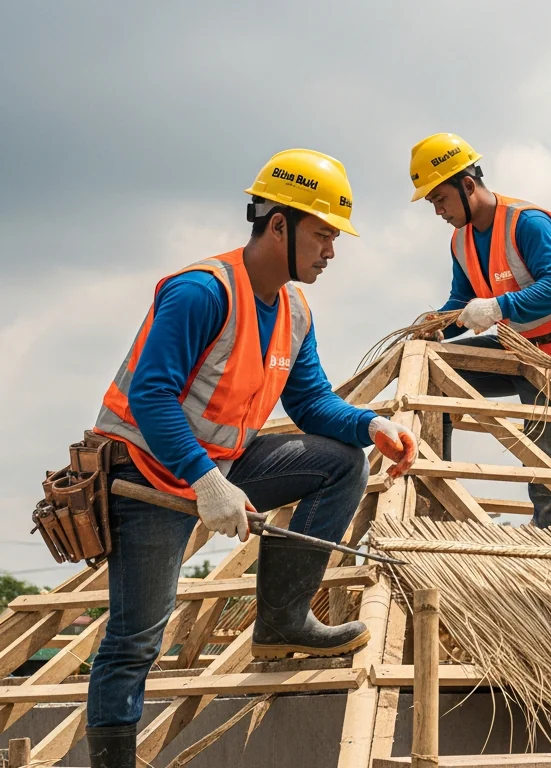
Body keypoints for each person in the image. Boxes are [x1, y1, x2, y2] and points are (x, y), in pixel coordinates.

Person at [86, 150, 418, 767]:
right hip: (148, 472)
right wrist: (205, 481)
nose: (332, 251)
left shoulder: (295, 310)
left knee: (342, 461)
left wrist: (371, 424)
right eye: (323, 234)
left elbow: (311, 402)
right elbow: (152, 395)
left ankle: (283, 619)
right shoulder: (201, 291)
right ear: (278, 225)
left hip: (224, 464)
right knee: (136, 639)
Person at [408, 133, 551, 529]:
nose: (438, 211)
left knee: (547, 468)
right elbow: (462, 300)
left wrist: (498, 307)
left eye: (440, 199)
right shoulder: (461, 240)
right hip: (515, 348)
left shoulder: (526, 222)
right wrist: (439, 324)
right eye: (432, 203)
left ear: (467, 185)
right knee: (436, 375)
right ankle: (436, 499)